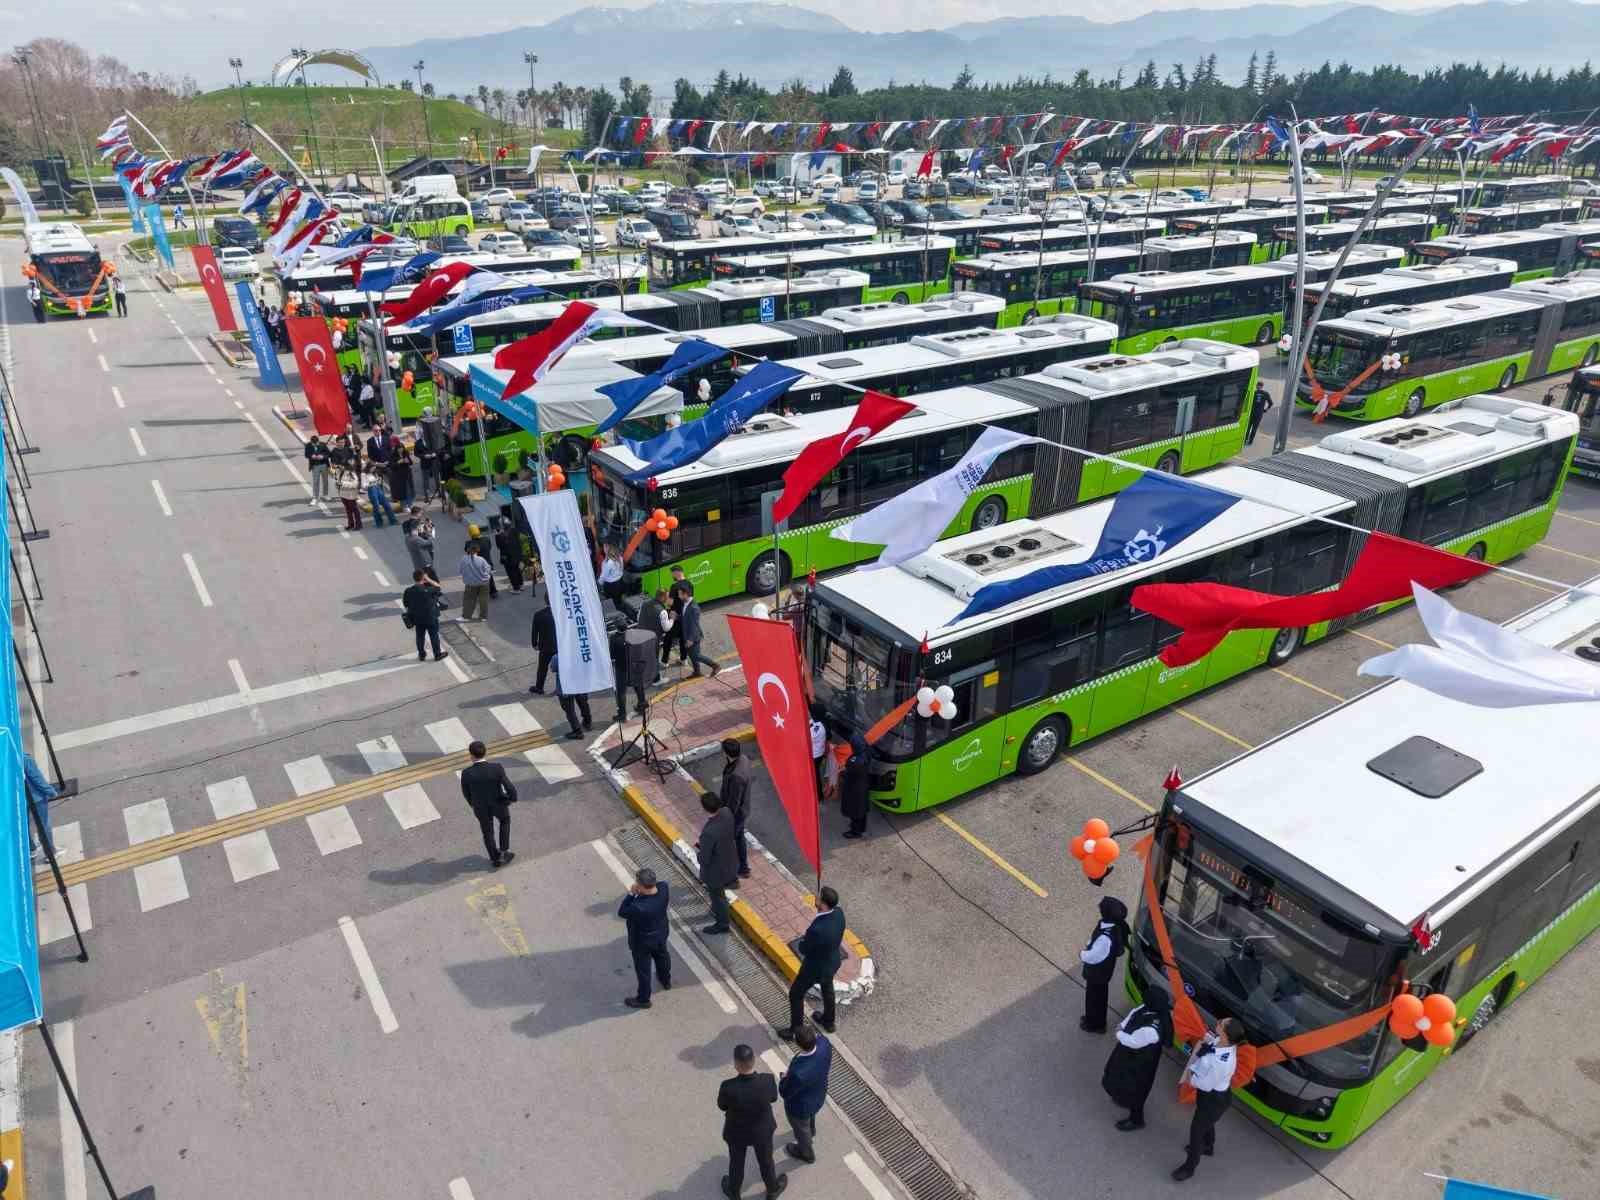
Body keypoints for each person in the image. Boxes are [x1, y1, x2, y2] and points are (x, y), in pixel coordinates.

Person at [1173, 1018, 1243, 1182]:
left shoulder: (1222, 1063)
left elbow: (1205, 1085)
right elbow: (1211, 1044)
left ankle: (1189, 1167)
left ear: (1226, 1035)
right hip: (1213, 1096)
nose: (1217, 1022)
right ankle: (1209, 1146)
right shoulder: (1222, 1042)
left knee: (1196, 1131)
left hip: (1213, 1098)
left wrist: (1190, 1076)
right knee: (1207, 1122)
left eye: (1220, 1024)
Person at [717, 1045, 787, 1200]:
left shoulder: (727, 1087)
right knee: (766, 1161)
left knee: (736, 1163)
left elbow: (722, 1106)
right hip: (761, 1131)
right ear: (753, 1061)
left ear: (736, 1064)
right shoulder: (767, 1081)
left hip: (736, 1132)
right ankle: (772, 1189)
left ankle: (734, 1192)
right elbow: (774, 1098)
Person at [1101, 987, 1173, 1131]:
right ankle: (1122, 1098)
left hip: (1140, 1060)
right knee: (1121, 1076)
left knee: (1136, 1088)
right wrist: (1122, 1025)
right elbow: (1134, 1013)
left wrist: (1119, 1034)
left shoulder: (1151, 1030)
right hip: (1131, 1054)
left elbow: (1134, 1041)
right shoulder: (1151, 1008)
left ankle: (1136, 1120)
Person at [777, 886, 844, 1039]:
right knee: (827, 989)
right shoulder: (839, 914)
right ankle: (828, 1021)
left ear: (823, 904)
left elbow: (805, 948)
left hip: (814, 968)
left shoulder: (818, 929)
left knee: (796, 994)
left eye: (818, 896)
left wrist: (803, 942)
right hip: (832, 962)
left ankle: (796, 1030)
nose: (815, 897)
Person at [779, 1024, 833, 1165]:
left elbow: (785, 1092)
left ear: (797, 1043)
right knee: (810, 1117)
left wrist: (784, 1078)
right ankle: (812, 1130)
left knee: (801, 1130)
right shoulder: (824, 1045)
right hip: (818, 1094)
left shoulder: (799, 1074)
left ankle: (806, 1153)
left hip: (800, 1107)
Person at [618, 866, 671, 1009]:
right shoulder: (664, 889)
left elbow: (622, 912)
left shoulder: (638, 907)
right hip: (661, 934)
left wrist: (631, 893)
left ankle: (643, 999)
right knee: (662, 956)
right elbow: (661, 885)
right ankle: (665, 980)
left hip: (642, 942)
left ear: (641, 886)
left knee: (643, 970)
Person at [460, 739, 516, 869]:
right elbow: (508, 786)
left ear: (471, 755)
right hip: (498, 803)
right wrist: (512, 798)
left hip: (480, 807)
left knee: (487, 832)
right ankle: (504, 851)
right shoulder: (496, 768)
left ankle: (494, 859)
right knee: (505, 821)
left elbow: (466, 793)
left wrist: (473, 804)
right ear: (485, 752)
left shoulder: (467, 773)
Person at [1080, 895, 1131, 1035]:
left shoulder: (1105, 938)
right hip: (1104, 972)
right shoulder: (1113, 927)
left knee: (1093, 998)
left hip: (1097, 973)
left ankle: (1094, 1024)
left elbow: (1094, 957)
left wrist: (1082, 954)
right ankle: (1097, 1021)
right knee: (1100, 997)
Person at [697, 791, 738, 935]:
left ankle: (722, 923)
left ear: (705, 808)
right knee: (719, 895)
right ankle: (718, 909)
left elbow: (704, 859)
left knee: (718, 897)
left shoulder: (709, 832)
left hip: (716, 871)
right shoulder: (727, 812)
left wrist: (699, 851)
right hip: (730, 859)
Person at [720, 738, 752, 879]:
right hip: (742, 810)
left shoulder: (736, 777)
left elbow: (734, 802)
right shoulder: (743, 759)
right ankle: (743, 868)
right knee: (739, 838)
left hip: (736, 815)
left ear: (727, 753)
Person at [402, 569, 448, 662]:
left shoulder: (408, 591)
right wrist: (429, 579)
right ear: (423, 578)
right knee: (434, 635)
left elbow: (406, 604)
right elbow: (438, 587)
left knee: (420, 636)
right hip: (431, 617)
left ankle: (422, 655)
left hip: (417, 618)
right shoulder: (429, 590)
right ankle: (437, 654)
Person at [679, 583, 719, 678]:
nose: (678, 596)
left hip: (693, 637)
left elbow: (694, 625)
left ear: (686, 594)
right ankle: (697, 672)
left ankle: (715, 665)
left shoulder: (694, 608)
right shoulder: (685, 603)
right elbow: (685, 618)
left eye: (680, 594)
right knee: (692, 655)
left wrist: (690, 639)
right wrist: (677, 617)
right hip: (686, 635)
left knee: (696, 655)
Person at [23, 753, 56, 860]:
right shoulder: (24, 758)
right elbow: (37, 778)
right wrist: (50, 791)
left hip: (20, 800)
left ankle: (31, 849)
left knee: (24, 826)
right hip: (36, 797)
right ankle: (50, 853)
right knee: (44, 824)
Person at [838, 734, 870, 839]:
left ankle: (855, 832)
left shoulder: (855, 761)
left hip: (854, 789)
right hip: (863, 786)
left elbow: (848, 774)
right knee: (862, 809)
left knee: (855, 811)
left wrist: (841, 772)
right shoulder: (866, 753)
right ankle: (862, 828)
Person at [553, 656, 592, 740]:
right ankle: (587, 721)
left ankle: (577, 731)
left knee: (570, 711)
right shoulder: (578, 653)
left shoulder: (557, 657)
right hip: (580, 683)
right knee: (583, 703)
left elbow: (553, 668)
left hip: (565, 687)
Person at [661, 565, 691, 666]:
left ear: (677, 572)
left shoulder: (674, 587)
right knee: (683, 638)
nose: (672, 576)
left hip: (675, 617)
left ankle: (664, 661)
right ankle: (684, 659)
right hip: (685, 617)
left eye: (672, 573)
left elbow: (669, 603)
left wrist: (668, 596)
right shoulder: (690, 584)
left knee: (668, 639)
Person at [459, 540, 492, 621]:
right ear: (477, 550)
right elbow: (488, 569)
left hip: (471, 583)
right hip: (484, 582)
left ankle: (466, 616)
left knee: (469, 600)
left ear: (467, 550)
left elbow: (460, 571)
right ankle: (483, 617)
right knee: (483, 600)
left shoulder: (464, 559)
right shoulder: (481, 559)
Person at [405, 511, 440, 584]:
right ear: (417, 527)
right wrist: (431, 531)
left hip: (418, 564)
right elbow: (430, 542)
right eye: (421, 526)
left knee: (425, 582)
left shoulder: (408, 538)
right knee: (434, 582)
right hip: (425, 564)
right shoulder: (416, 539)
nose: (422, 528)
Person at [529, 603, 556, 694]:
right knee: (561, 668)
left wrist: (534, 644)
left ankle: (539, 687)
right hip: (559, 646)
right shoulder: (560, 613)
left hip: (545, 647)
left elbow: (534, 631)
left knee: (542, 668)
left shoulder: (539, 614)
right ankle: (561, 688)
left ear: (545, 601)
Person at [495, 519, 526, 592]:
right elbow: (518, 542)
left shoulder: (500, 535)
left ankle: (516, 588)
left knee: (511, 573)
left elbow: (499, 546)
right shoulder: (514, 530)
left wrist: (497, 535)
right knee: (517, 570)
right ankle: (521, 585)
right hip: (516, 555)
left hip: (507, 557)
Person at [336, 462, 364, 530]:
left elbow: (355, 484)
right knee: (348, 511)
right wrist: (337, 484)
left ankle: (358, 524)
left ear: (345, 466)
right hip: (343, 495)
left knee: (355, 510)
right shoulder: (340, 473)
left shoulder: (352, 474)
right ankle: (351, 524)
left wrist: (343, 483)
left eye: (341, 465)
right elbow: (338, 483)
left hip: (351, 495)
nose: (340, 466)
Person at [808, 704, 828, 801]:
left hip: (816, 756)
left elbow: (807, 737)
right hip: (815, 753)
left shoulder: (818, 729)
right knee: (814, 773)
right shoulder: (815, 722)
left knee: (815, 775)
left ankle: (819, 796)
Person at [387, 443, 416, 508]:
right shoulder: (393, 456)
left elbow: (411, 462)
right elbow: (391, 465)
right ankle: (404, 506)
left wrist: (408, 461)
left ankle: (410, 504)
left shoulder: (406, 453)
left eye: (402, 448)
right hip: (399, 477)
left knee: (409, 490)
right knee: (402, 492)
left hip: (407, 474)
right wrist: (398, 462)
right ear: (396, 449)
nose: (401, 450)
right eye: (399, 449)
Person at [305, 435, 332, 504]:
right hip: (315, 466)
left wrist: (322, 456)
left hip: (324, 465)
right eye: (313, 443)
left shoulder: (323, 445)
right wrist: (311, 456)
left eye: (316, 443)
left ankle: (325, 494)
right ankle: (315, 497)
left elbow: (329, 454)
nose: (315, 445)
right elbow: (306, 454)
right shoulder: (308, 445)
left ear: (318, 441)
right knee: (316, 481)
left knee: (325, 481)